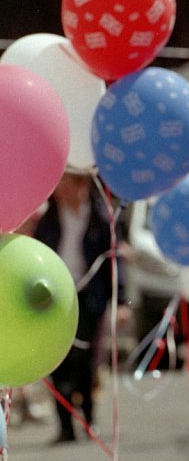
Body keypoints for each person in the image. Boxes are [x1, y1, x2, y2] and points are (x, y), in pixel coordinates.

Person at [33, 172, 128, 443]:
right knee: (58, 361)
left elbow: (114, 261)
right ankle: (65, 427)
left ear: (83, 185)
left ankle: (89, 418)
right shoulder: (48, 219)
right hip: (54, 297)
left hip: (89, 297)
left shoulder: (101, 217)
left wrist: (119, 301)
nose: (61, 191)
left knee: (85, 360)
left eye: (66, 184)